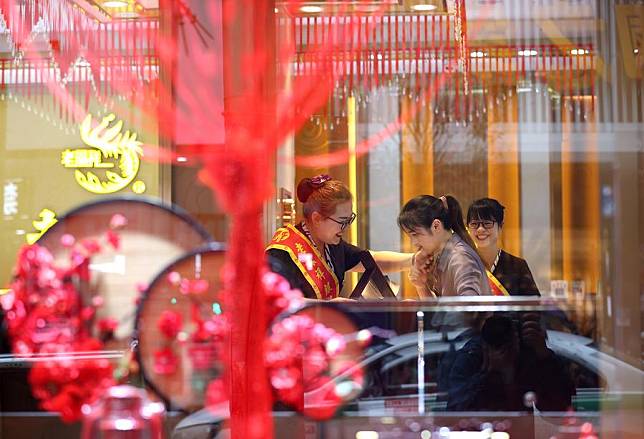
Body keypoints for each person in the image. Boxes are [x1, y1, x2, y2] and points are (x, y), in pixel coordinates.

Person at [267, 175, 415, 300]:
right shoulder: (281, 252)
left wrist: (414, 260)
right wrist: (328, 307)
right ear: (317, 218)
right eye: (342, 221)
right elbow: (279, 302)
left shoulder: (331, 245)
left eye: (350, 220)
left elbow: (370, 260)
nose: (347, 227)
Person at [399, 195, 491, 297]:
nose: (414, 243)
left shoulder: (461, 258)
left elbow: (470, 310)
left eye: (415, 234)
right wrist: (421, 286)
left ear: (436, 226)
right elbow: (438, 310)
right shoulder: (443, 254)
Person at [467, 198, 540, 296]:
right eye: (474, 224)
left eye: (487, 223)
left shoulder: (518, 266)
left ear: (500, 226)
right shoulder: (464, 264)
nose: (480, 229)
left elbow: (533, 308)